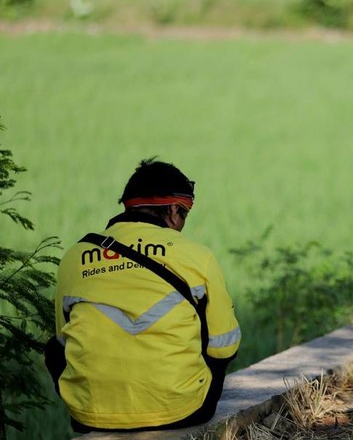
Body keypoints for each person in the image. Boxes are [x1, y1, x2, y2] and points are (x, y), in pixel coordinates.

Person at [45, 157, 241, 433]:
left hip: (90, 414)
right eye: (184, 214)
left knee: (53, 347)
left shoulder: (74, 257)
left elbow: (63, 343)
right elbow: (224, 346)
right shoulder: (196, 255)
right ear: (174, 211)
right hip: (182, 411)